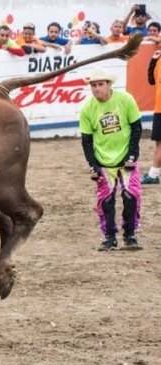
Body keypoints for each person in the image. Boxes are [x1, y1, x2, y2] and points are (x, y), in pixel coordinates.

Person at [79, 67, 143, 251]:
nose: (96, 89)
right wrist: (92, 164)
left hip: (125, 158)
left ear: (108, 85)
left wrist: (132, 155)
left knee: (131, 196)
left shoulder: (125, 99)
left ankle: (130, 235)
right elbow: (86, 140)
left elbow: (136, 128)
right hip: (103, 161)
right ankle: (109, 237)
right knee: (105, 201)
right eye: (93, 85)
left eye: (100, 84)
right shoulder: (87, 108)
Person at [142, 49, 161, 184]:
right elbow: (152, 80)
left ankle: (153, 175)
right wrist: (153, 61)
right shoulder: (159, 59)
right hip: (159, 107)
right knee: (159, 143)